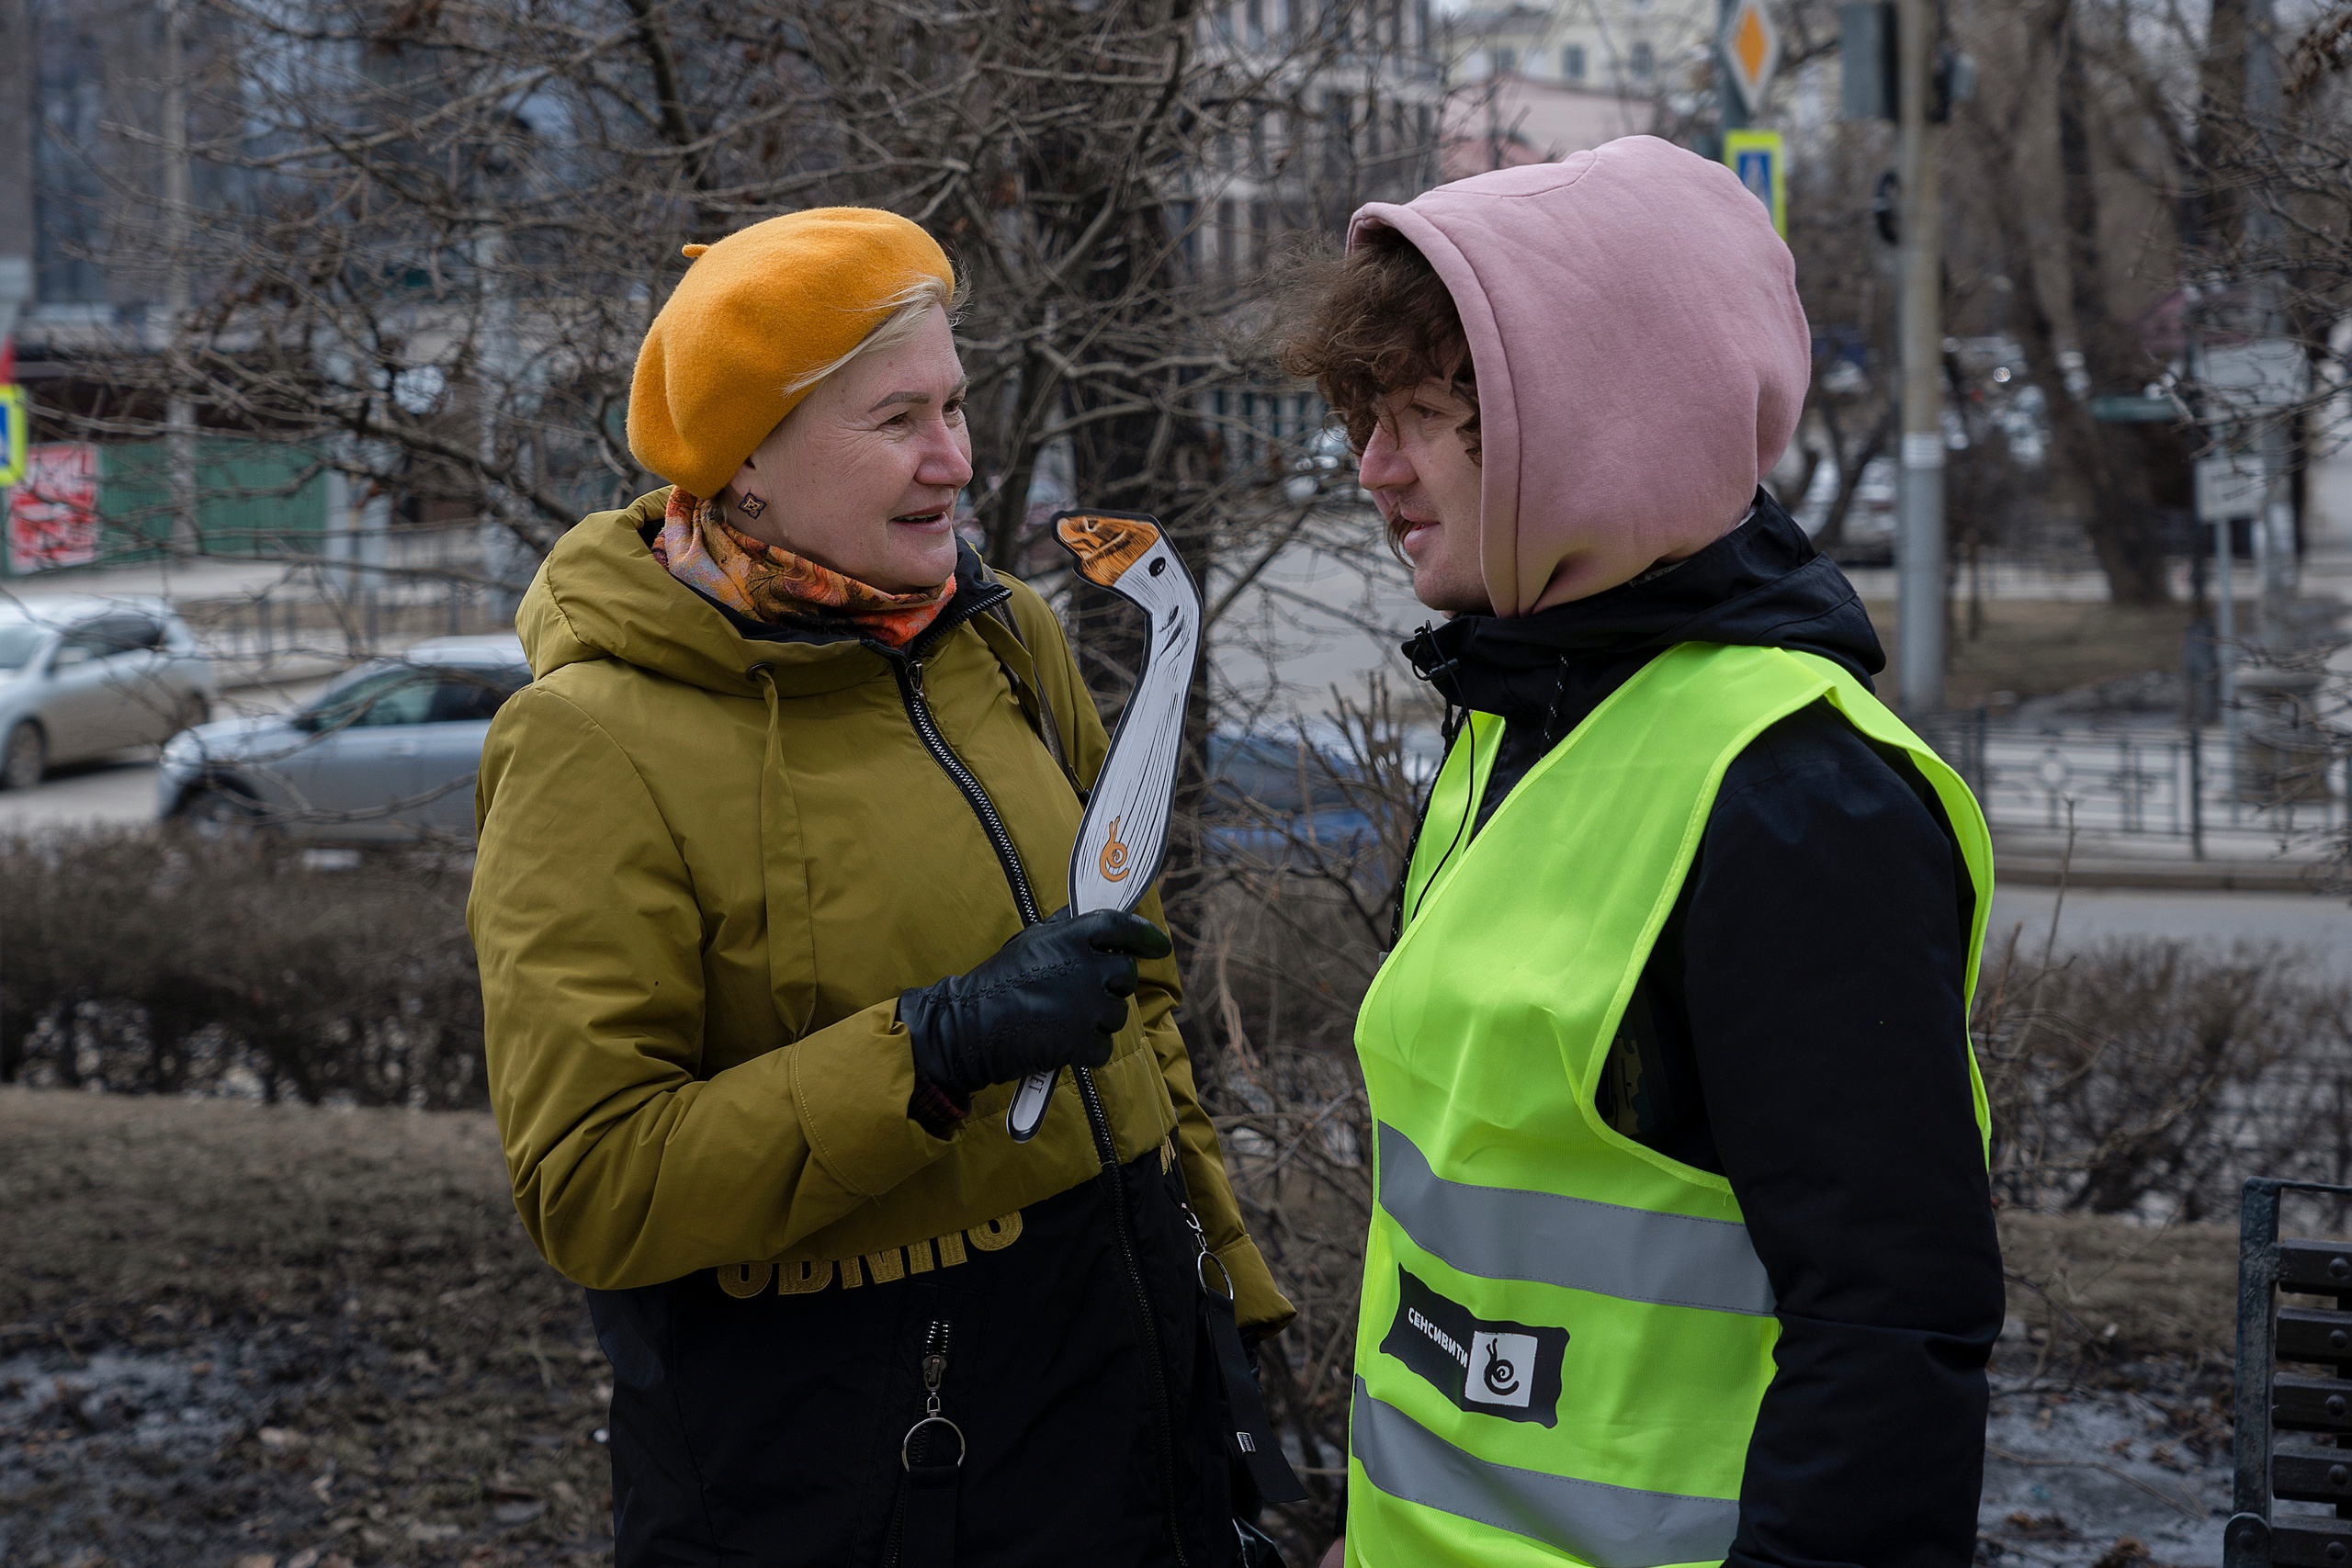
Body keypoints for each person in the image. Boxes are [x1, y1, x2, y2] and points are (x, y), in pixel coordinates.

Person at [469, 207, 1294, 1567]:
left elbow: (1133, 1002)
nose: (954, 460)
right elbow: (592, 1185)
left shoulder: (1006, 641)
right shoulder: (591, 741)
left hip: (1133, 1398)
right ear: (743, 469)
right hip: (860, 1476)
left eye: (958, 406)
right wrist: (933, 1048)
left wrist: (1232, 1309)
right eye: (895, 418)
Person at [1282, 137, 2003, 1568]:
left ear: (1602, 422)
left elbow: (1889, 1335)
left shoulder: (1799, 796)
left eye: (1423, 412)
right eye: (1369, 413)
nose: (1374, 469)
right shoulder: (1522, 711)